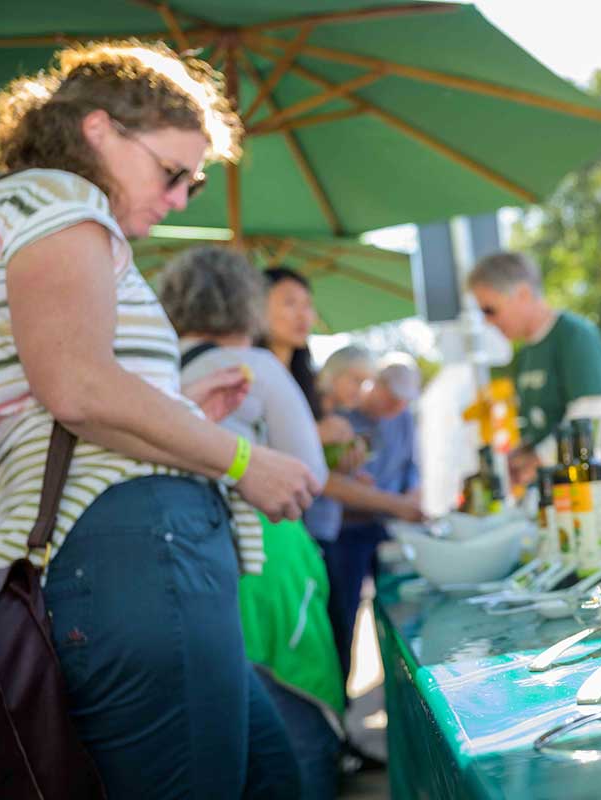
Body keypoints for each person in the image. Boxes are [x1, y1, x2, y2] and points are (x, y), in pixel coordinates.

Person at [0, 41, 320, 798]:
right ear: (98, 129)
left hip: (119, 546)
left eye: (194, 186)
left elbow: (54, 395)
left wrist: (179, 417)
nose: (177, 200)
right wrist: (241, 458)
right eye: (173, 173)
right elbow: (75, 384)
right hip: (137, 545)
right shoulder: (64, 202)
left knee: (271, 776)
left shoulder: (26, 208)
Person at [159, 245, 343, 800]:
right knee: (298, 721)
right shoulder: (254, 368)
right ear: (250, 305)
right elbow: (309, 475)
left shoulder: (152, 369)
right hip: (268, 556)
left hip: (188, 560)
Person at [257, 272, 422, 545]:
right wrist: (313, 436)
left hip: (300, 530)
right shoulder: (247, 373)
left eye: (308, 305)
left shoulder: (302, 383)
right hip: (266, 527)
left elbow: (317, 472)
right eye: (289, 303)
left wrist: (345, 468)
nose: (303, 315)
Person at [466, 250, 601, 484]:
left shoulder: (574, 335)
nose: (487, 322)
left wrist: (535, 461)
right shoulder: (525, 355)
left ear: (522, 294)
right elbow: (538, 428)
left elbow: (590, 417)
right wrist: (519, 456)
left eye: (489, 310)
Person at [323, 352, 422, 681]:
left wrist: (409, 495)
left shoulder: (405, 418)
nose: (396, 409)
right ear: (375, 385)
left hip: (388, 526)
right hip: (344, 531)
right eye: (392, 400)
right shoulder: (337, 418)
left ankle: (395, 685)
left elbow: (411, 468)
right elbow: (329, 481)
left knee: (399, 609)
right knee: (342, 618)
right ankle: (341, 706)